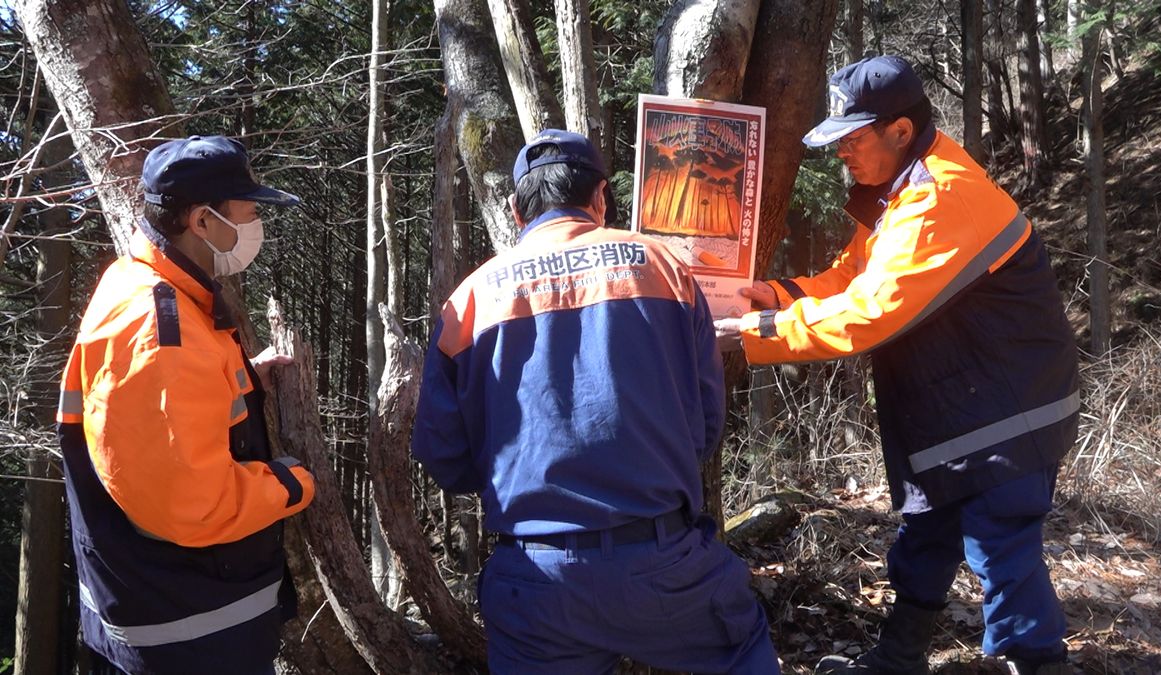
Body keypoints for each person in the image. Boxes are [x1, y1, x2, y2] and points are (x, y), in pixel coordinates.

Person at [714, 56, 1079, 675]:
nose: (842, 155)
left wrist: (755, 333)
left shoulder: (939, 197)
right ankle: (899, 658)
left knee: (1001, 546)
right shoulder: (905, 190)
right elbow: (857, 277)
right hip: (959, 403)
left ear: (900, 131)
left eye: (852, 139)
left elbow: (871, 314)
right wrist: (777, 296)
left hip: (1010, 408)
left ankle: (1040, 663)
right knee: (926, 532)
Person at [412, 129, 779, 674]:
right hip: (666, 563)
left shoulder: (470, 300)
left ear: (516, 210)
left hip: (537, 579)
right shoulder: (663, 266)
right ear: (601, 197)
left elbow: (445, 458)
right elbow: (704, 425)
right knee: (740, 649)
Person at [57, 136, 316, 675]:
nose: (254, 226)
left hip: (166, 614)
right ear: (202, 221)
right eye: (247, 212)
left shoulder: (145, 283)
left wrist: (244, 381)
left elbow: (168, 415)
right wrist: (290, 484)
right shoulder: (160, 331)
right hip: (188, 634)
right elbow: (191, 506)